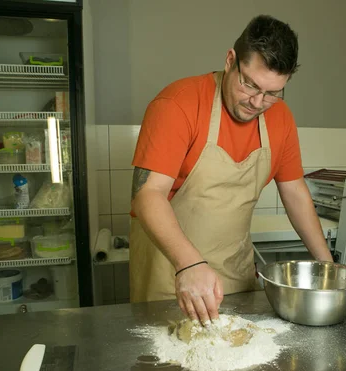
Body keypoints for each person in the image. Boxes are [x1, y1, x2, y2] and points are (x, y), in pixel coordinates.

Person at [129, 14, 333, 325]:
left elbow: (293, 190)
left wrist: (327, 266)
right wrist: (188, 265)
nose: (257, 101)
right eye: (249, 84)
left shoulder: (280, 118)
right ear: (230, 60)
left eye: (272, 93)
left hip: (235, 278)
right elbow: (147, 194)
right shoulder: (177, 104)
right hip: (171, 275)